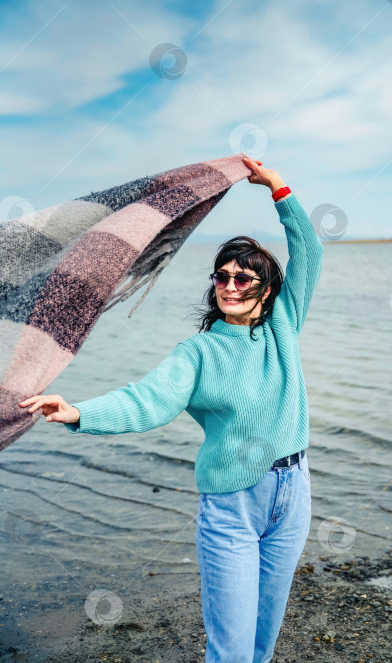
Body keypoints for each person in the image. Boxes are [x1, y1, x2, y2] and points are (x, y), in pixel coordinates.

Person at [19, 155, 324, 663]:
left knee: (263, 641)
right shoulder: (198, 353)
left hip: (293, 495)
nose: (230, 285)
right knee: (230, 648)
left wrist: (278, 189)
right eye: (223, 276)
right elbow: (147, 401)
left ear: (266, 290)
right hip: (232, 504)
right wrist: (78, 414)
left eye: (244, 278)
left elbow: (309, 253)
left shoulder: (283, 327)